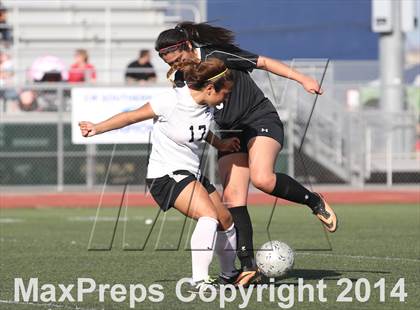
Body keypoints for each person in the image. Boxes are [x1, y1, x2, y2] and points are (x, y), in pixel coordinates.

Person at [155, 22, 338, 286]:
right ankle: (249, 267)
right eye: (168, 62)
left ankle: (314, 201)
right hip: (229, 133)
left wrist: (302, 79)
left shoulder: (217, 56)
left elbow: (262, 62)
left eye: (178, 58)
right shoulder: (182, 78)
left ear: (186, 46)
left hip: (258, 119)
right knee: (232, 200)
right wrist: (215, 141)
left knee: (262, 179)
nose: (176, 64)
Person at [79, 58, 241, 292]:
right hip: (165, 175)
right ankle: (200, 281)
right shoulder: (170, 101)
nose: (226, 98)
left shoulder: (207, 105)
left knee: (225, 220)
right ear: (209, 88)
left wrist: (221, 144)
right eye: (224, 93)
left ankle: (230, 274)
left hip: (191, 172)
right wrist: (97, 128)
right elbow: (130, 117)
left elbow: (199, 131)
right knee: (208, 216)